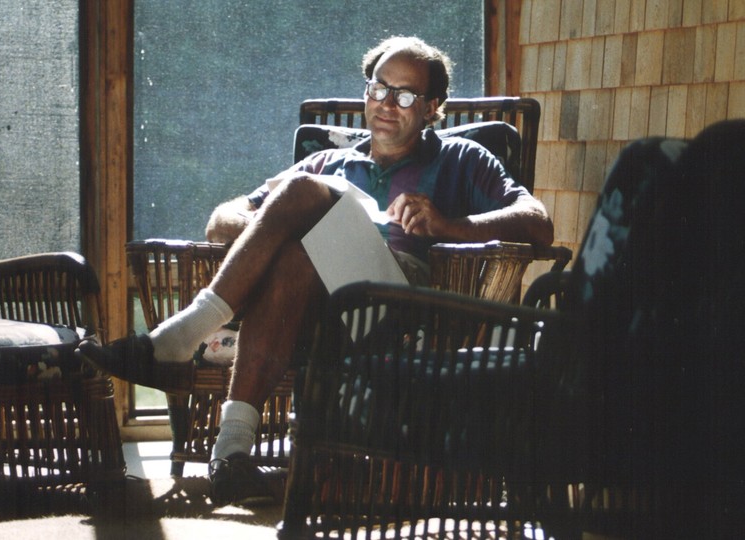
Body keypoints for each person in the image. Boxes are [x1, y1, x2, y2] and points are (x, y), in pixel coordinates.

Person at [77, 35, 554, 506]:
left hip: (396, 309)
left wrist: (449, 223)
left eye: (406, 95)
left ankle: (177, 340)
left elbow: (538, 222)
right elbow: (220, 220)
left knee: (303, 195)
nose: (387, 103)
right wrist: (276, 225)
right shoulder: (328, 161)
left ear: (432, 107)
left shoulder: (461, 158)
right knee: (295, 250)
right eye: (379, 88)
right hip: (308, 308)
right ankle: (231, 458)